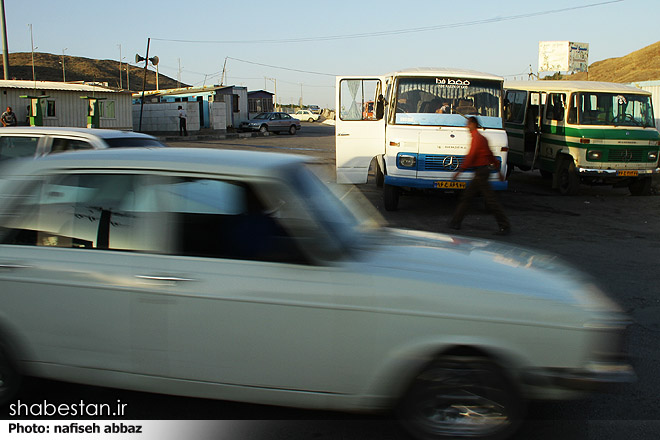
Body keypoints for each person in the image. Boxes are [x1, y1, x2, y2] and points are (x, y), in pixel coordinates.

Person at [448, 116, 510, 235]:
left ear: (473, 124)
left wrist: (460, 171)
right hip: (482, 172)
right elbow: (490, 155)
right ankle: (455, 222)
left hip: (481, 173)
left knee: (487, 200)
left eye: (468, 124)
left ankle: (504, 226)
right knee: (469, 197)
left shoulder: (476, 138)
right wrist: (498, 171)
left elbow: (471, 156)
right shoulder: (481, 138)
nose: (467, 127)